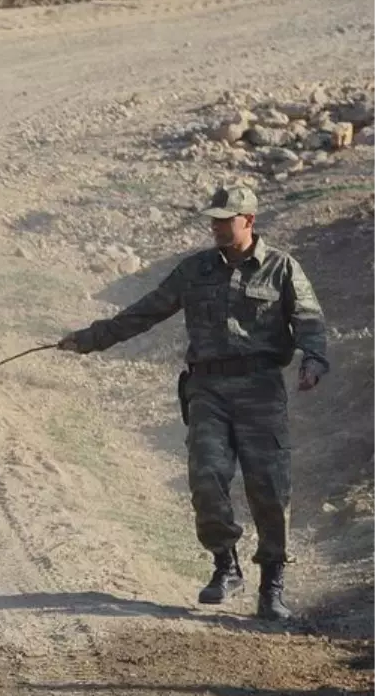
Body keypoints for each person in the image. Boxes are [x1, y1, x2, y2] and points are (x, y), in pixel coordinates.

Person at [58, 185, 328, 621]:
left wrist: (314, 361)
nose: (217, 226)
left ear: (249, 220)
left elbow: (310, 322)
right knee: (206, 478)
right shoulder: (195, 270)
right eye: (214, 219)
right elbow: (145, 312)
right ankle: (226, 565)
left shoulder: (282, 269)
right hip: (208, 390)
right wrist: (90, 339)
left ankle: (272, 585)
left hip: (261, 390)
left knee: (270, 489)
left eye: (226, 219)